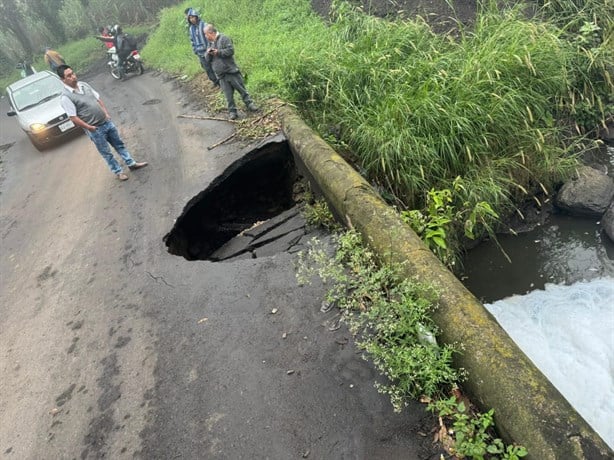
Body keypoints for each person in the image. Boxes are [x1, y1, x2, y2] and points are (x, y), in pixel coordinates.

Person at [57, 64, 148, 181]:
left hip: (106, 122)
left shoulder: (84, 85)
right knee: (106, 153)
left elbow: (98, 99)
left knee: (119, 144)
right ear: (63, 80)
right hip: (95, 129)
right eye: (69, 76)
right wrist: (89, 127)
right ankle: (118, 172)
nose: (73, 77)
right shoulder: (66, 97)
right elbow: (73, 117)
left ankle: (131, 163)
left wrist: (106, 113)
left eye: (73, 73)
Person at [204, 24, 258, 120]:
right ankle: (232, 112)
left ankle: (250, 104)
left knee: (242, 90)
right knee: (228, 96)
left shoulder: (224, 38)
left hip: (231, 71)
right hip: (221, 75)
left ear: (211, 33)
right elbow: (207, 59)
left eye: (206, 34)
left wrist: (218, 52)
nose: (205, 36)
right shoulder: (210, 43)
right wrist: (208, 53)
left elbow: (230, 51)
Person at [185, 8, 218, 87]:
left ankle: (221, 82)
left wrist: (210, 48)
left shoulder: (204, 25)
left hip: (208, 50)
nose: (192, 19)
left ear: (196, 17)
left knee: (214, 66)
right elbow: (192, 40)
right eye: (190, 18)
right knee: (207, 68)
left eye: (193, 17)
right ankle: (215, 82)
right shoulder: (191, 29)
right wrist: (195, 50)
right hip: (200, 52)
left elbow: (211, 37)